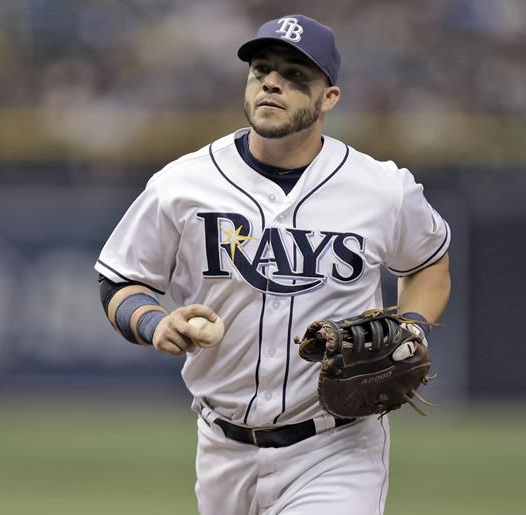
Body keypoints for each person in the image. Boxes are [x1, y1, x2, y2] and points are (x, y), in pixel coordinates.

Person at [95, 14, 451, 515]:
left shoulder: (382, 189)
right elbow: (119, 282)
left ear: (330, 98)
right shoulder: (182, 184)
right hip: (221, 449)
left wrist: (411, 327)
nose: (272, 82)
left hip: (337, 447)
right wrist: (154, 323)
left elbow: (429, 265)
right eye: (261, 69)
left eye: (296, 76)